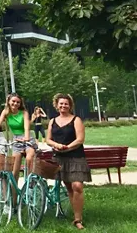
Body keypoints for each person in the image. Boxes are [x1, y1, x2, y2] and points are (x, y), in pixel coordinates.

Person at [46, 93, 91, 230]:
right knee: (69, 188)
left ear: (70, 105)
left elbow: (80, 139)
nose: (63, 106)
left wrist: (67, 147)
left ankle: (78, 219)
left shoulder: (76, 120)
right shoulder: (52, 121)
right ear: (57, 105)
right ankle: (76, 217)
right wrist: (56, 145)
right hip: (60, 158)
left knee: (77, 186)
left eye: (66, 103)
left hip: (76, 157)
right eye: (61, 104)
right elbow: (47, 139)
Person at [0, 93, 35, 181]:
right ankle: (14, 193)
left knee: (29, 158)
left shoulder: (24, 112)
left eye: (18, 102)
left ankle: (29, 182)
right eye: (13, 101)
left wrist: (26, 138)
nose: (15, 104)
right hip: (16, 140)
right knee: (14, 171)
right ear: (8, 102)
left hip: (28, 138)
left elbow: (26, 127)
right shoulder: (5, 112)